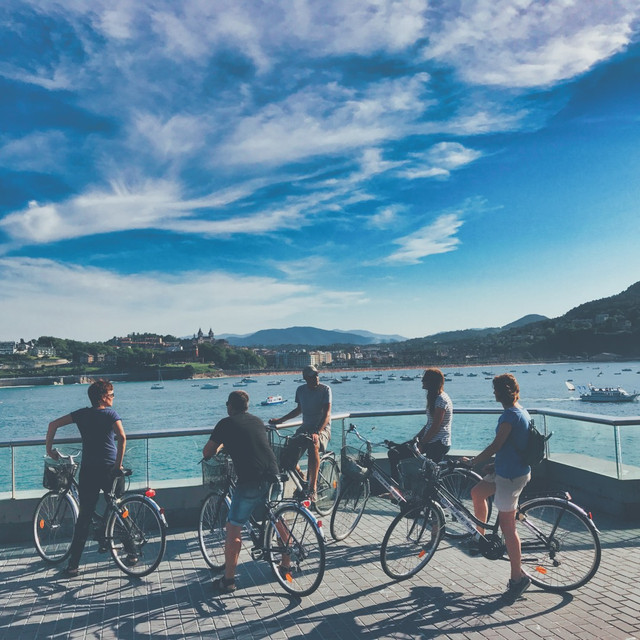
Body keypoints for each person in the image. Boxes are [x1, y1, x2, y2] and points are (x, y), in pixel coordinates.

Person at [45, 379, 126, 578]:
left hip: (89, 470)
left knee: (84, 517)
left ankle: (73, 566)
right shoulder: (111, 414)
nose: (114, 397)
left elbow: (52, 425)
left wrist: (50, 450)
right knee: (118, 509)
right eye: (112, 394)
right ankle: (132, 553)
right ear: (103, 397)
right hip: (109, 468)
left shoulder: (81, 414)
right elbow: (122, 438)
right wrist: (118, 465)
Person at [202, 390, 280, 593]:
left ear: (230, 406)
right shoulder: (257, 421)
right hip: (274, 474)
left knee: (233, 527)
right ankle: (286, 563)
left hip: (250, 480)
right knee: (277, 518)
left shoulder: (225, 424)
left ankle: (228, 580)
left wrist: (217, 449)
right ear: (246, 406)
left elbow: (207, 452)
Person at [465, 373, 532, 601]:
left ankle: (518, 579)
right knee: (477, 493)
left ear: (502, 392)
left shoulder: (509, 416)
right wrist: (495, 464)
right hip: (505, 470)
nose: (493, 394)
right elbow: (513, 446)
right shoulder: (520, 411)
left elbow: (496, 445)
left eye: (495, 390)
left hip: (511, 477)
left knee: (508, 529)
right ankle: (479, 537)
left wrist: (474, 461)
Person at [268, 364, 331, 501]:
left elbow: (327, 414)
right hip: (305, 428)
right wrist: (281, 420)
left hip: (322, 428)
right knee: (286, 454)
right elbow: (299, 410)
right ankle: (303, 478)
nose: (316, 378)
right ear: (306, 378)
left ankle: (312, 488)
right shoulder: (301, 390)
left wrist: (317, 432)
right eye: (313, 376)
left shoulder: (325, 390)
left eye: (317, 375)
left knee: (313, 444)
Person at [387, 368, 452, 481]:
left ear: (431, 382)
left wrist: (422, 443)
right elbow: (430, 423)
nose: (422, 381)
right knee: (394, 453)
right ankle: (397, 489)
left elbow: (435, 427)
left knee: (430, 478)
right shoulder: (436, 398)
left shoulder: (441, 400)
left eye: (425, 379)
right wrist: (417, 437)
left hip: (438, 444)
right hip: (431, 441)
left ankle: (399, 491)